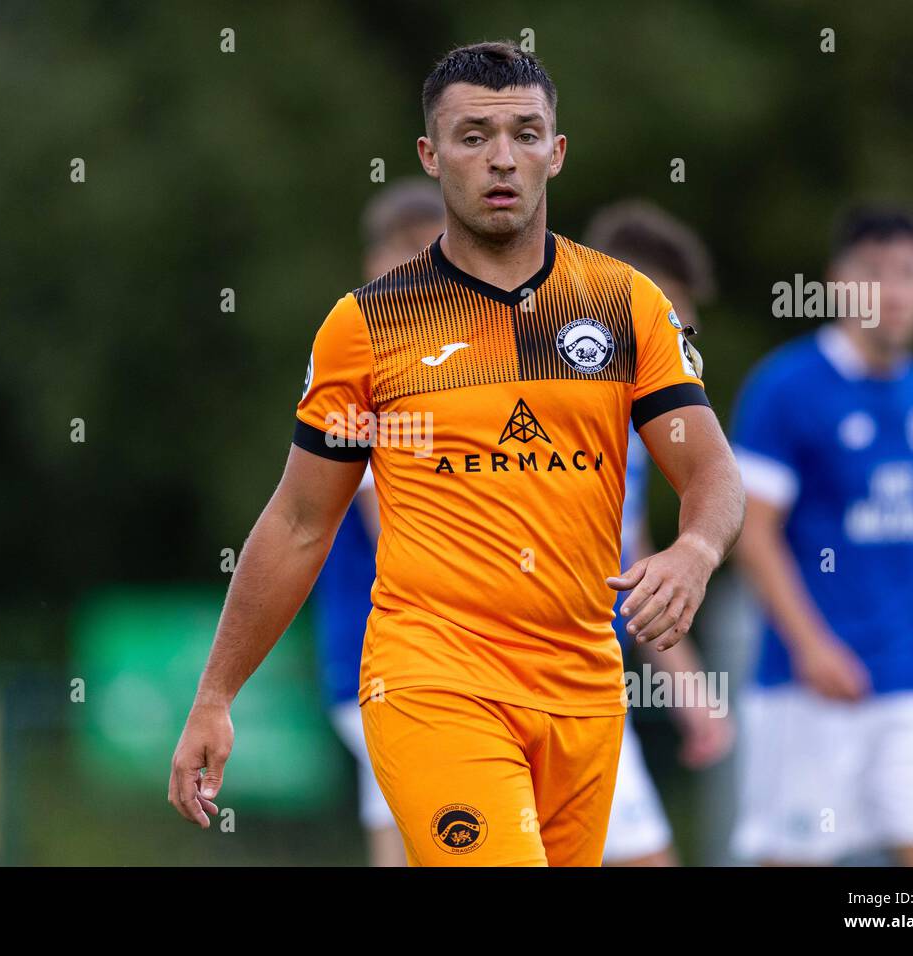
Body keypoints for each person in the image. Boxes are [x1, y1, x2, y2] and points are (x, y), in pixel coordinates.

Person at [169, 40, 745, 866]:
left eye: (524, 132)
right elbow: (300, 522)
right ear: (430, 156)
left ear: (557, 151)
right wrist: (215, 696)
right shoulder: (365, 327)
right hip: (431, 677)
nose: (501, 157)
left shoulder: (627, 305)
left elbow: (713, 472)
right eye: (473, 136)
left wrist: (695, 549)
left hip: (583, 690)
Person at [729, 202, 913, 866]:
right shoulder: (786, 388)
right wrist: (813, 646)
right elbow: (750, 533)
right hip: (808, 689)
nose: (892, 292)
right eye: (873, 272)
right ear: (838, 282)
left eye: (908, 272)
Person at [583, 201, 734, 866]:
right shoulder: (548, 394)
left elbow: (632, 556)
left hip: (591, 682)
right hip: (511, 678)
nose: (679, 339)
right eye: (668, 316)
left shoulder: (640, 415)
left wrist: (687, 685)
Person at [313, 179, 444, 867]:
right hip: (385, 654)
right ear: (376, 266)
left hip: (413, 657)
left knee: (400, 832)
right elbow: (395, 517)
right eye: (411, 256)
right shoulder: (365, 363)